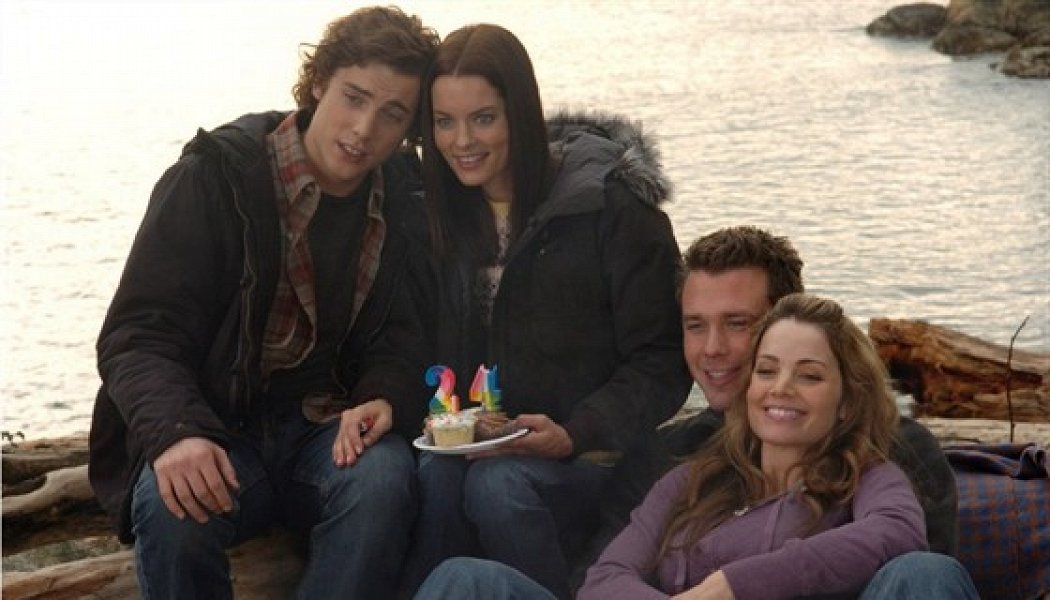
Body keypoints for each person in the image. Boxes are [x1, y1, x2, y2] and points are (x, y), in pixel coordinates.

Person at [87, 7, 439, 599]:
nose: (363, 129)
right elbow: (138, 333)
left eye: (392, 114)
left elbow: (405, 334)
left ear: (410, 127)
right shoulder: (217, 176)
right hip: (215, 425)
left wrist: (384, 393)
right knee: (174, 509)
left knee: (383, 481)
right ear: (319, 82)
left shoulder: (405, 195)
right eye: (354, 98)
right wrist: (177, 433)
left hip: (327, 430)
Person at [415, 293, 978, 600]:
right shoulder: (691, 477)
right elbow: (605, 580)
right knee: (468, 581)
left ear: (848, 400)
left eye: (809, 375)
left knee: (927, 574)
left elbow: (898, 536)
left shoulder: (873, 479)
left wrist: (731, 587)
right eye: (767, 370)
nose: (781, 388)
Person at [399, 23, 692, 600]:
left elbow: (662, 360)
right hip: (479, 448)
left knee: (499, 486)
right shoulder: (434, 216)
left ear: (522, 113)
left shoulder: (611, 207)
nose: (462, 141)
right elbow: (413, 345)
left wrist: (576, 432)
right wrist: (439, 417)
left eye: (484, 118)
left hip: (597, 459)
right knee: (436, 473)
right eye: (444, 122)